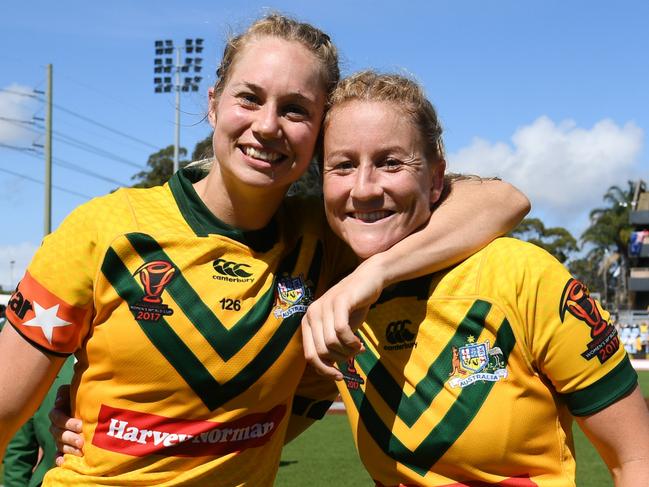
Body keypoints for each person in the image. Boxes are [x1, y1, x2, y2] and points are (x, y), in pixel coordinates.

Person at [0, 14, 528, 486]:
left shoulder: (329, 241)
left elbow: (501, 199)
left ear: (320, 133)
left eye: (296, 110)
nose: (268, 125)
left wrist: (373, 273)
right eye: (249, 97)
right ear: (213, 103)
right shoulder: (103, 229)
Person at [301, 71, 649, 486]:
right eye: (343, 165)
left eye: (390, 162)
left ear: (434, 179)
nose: (364, 189)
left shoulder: (522, 276)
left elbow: (636, 459)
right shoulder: (322, 292)